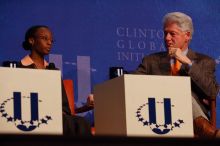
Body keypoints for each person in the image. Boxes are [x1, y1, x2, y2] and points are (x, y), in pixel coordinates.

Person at [134, 12, 220, 138]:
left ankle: (208, 132)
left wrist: (188, 63)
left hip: (192, 121)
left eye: (172, 34)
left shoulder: (205, 61)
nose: (167, 38)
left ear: (187, 36)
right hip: (157, 115)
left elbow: (212, 92)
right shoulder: (150, 61)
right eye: (165, 33)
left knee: (182, 92)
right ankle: (212, 135)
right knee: (172, 91)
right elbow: (132, 83)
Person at [18, 25, 92, 136]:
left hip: (56, 116)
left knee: (81, 122)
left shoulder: (53, 70)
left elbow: (64, 106)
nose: (49, 43)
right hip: (30, 115)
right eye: (44, 38)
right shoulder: (19, 68)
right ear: (31, 40)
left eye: (51, 40)